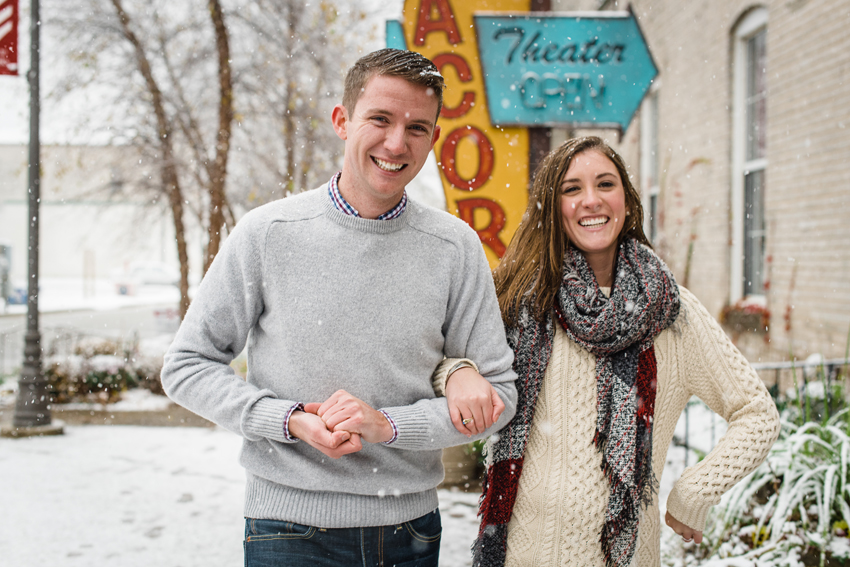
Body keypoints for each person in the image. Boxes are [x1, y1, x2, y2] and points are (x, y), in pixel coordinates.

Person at [160, 48, 517, 567]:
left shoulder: (453, 246)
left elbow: (498, 394)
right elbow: (187, 366)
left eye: (417, 127)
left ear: (434, 139)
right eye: (380, 119)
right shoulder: (268, 234)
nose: (397, 143)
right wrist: (287, 420)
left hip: (409, 531)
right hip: (287, 529)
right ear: (342, 121)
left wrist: (389, 427)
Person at [434, 136, 781, 567]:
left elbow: (756, 413)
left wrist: (695, 491)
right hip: (520, 554)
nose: (590, 201)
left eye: (605, 184)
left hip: (625, 556)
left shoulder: (671, 312)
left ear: (627, 201)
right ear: (552, 205)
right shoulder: (522, 302)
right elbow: (444, 361)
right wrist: (457, 373)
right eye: (572, 189)